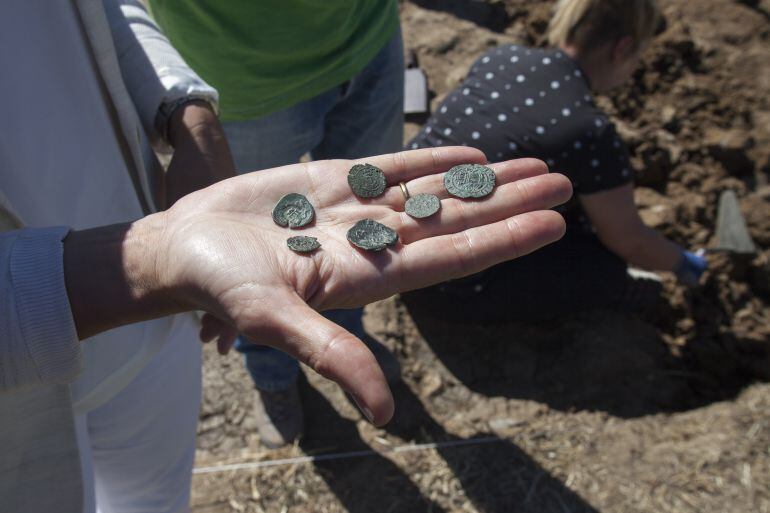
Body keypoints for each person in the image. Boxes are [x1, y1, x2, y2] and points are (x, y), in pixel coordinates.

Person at [2, 144, 573, 512]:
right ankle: (275, 380)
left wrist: (185, 103)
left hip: (131, 308)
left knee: (153, 484)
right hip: (27, 414)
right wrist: (158, 254)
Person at [0, 1, 235, 512]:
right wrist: (144, 265)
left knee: (156, 498)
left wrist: (185, 109)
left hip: (153, 303)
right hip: (15, 413)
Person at [148, 0, 405, 447]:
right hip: (237, 76)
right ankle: (273, 377)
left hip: (368, 36)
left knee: (360, 234)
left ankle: (350, 337)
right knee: (254, 267)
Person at [405, 0, 708, 323]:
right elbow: (629, 240)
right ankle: (627, 293)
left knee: (568, 207)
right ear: (624, 48)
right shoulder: (589, 130)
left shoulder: (503, 57)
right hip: (449, 284)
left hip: (405, 236)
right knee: (604, 267)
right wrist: (683, 263)